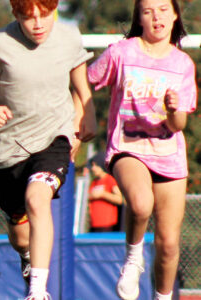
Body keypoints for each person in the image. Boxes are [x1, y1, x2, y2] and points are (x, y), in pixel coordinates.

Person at [0, 0, 97, 299]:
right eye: (28, 17)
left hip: (55, 137)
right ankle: (26, 255)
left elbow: (77, 67)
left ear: (55, 10)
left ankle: (38, 291)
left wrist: (86, 110)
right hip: (9, 147)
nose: (38, 24)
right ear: (16, 15)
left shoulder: (69, 36)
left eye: (45, 15)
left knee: (37, 199)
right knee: (20, 229)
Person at [87, 0, 196, 299]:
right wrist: (80, 118)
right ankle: (133, 259)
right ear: (140, 18)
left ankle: (162, 296)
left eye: (163, 9)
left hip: (168, 154)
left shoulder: (182, 64)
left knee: (169, 244)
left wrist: (174, 109)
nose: (156, 17)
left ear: (174, 14)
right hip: (128, 147)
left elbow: (178, 124)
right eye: (148, 11)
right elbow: (85, 80)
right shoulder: (122, 53)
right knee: (140, 203)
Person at [87, 152, 123, 232]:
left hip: (107, 225)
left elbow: (119, 199)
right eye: (92, 165)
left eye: (95, 165)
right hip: (94, 224)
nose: (93, 168)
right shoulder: (94, 182)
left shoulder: (110, 179)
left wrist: (102, 194)